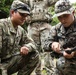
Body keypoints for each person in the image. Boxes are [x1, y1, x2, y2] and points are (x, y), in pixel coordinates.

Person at [0, 0, 39, 75]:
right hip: (1, 65)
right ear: (12, 12)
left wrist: (27, 47)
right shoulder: (1, 26)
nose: (24, 18)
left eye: (26, 15)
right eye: (22, 14)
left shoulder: (20, 30)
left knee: (34, 55)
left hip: (8, 63)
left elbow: (32, 43)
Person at [43, 0, 76, 75]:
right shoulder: (56, 28)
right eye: (59, 17)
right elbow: (45, 45)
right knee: (61, 63)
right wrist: (52, 44)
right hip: (64, 64)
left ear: (73, 12)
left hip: (67, 62)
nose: (63, 20)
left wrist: (74, 54)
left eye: (65, 15)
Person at [26, 0, 56, 75]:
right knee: (34, 50)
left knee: (47, 49)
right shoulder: (28, 1)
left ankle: (50, 72)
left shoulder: (46, 1)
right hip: (32, 26)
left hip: (45, 25)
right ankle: (37, 72)